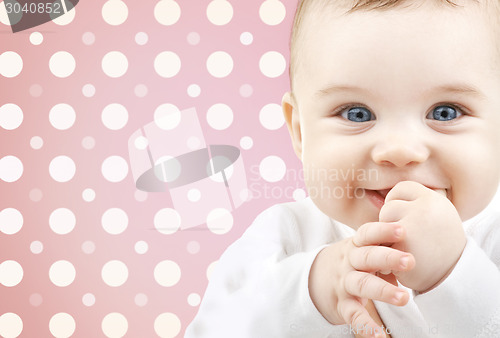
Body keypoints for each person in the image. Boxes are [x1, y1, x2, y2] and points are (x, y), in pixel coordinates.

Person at [185, 0, 500, 337]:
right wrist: (310, 292)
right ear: (301, 132)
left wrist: (453, 273)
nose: (399, 151)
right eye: (357, 113)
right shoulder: (285, 237)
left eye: (445, 112)